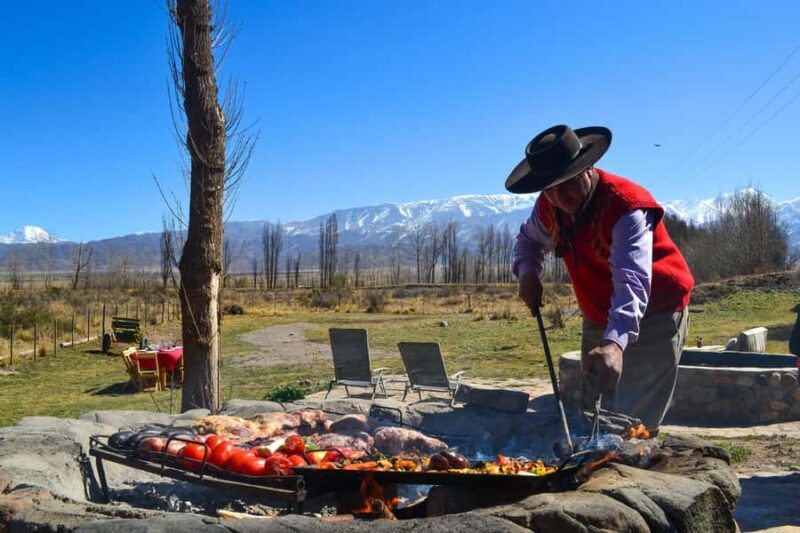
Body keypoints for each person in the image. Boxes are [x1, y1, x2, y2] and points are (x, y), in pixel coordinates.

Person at [506, 124, 695, 429]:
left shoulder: (625, 205)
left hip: (654, 313)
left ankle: (632, 472)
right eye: (550, 188)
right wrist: (528, 273)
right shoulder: (549, 205)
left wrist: (615, 343)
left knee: (633, 420)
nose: (559, 196)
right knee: (592, 414)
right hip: (597, 314)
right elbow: (528, 241)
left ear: (588, 167)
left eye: (567, 183)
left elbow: (631, 280)